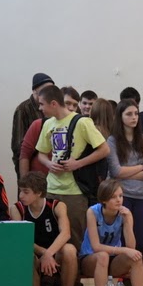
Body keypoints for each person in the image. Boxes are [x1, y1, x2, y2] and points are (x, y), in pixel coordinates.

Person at [36, 85, 110, 248]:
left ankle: (75, 265)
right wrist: (49, 163)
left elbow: (104, 149)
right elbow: (41, 153)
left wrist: (78, 163)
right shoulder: (48, 124)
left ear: (53, 103)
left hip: (75, 191)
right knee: (50, 237)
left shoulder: (82, 122)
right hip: (52, 188)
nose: (40, 108)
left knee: (75, 238)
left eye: (42, 104)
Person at [11, 172, 79, 286]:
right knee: (26, 254)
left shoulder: (57, 206)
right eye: (20, 191)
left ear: (39, 193)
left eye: (26, 192)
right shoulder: (17, 209)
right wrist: (44, 254)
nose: (21, 195)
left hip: (55, 254)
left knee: (70, 250)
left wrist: (49, 254)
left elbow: (66, 233)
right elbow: (23, 239)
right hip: (35, 254)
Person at [106, 99, 143, 264]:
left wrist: (126, 173)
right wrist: (142, 167)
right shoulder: (112, 141)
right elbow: (116, 171)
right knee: (124, 241)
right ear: (120, 117)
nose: (134, 117)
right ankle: (123, 278)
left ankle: (139, 276)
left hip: (142, 197)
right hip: (122, 196)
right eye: (129, 114)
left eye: (136, 113)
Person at [12, 73, 54, 179]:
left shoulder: (52, 106)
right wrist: (24, 175)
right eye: (45, 88)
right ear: (35, 90)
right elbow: (18, 145)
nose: (48, 91)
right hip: (29, 165)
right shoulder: (22, 109)